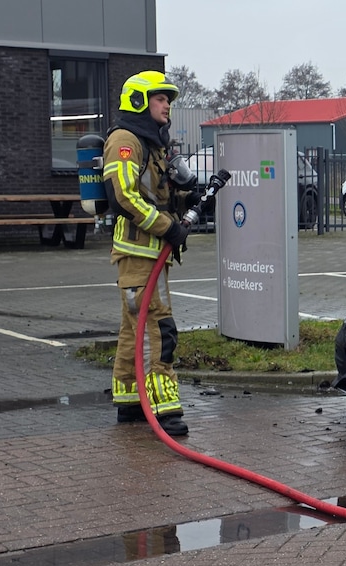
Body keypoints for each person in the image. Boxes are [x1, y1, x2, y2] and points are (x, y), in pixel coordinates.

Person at [104, 70, 207, 436]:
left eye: (168, 100)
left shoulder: (152, 143)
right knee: (158, 327)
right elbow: (124, 196)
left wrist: (187, 200)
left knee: (133, 330)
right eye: (161, 99)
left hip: (148, 254)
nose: (167, 106)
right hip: (139, 253)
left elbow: (154, 193)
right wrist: (169, 227)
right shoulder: (125, 141)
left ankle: (130, 402)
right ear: (140, 101)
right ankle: (166, 409)